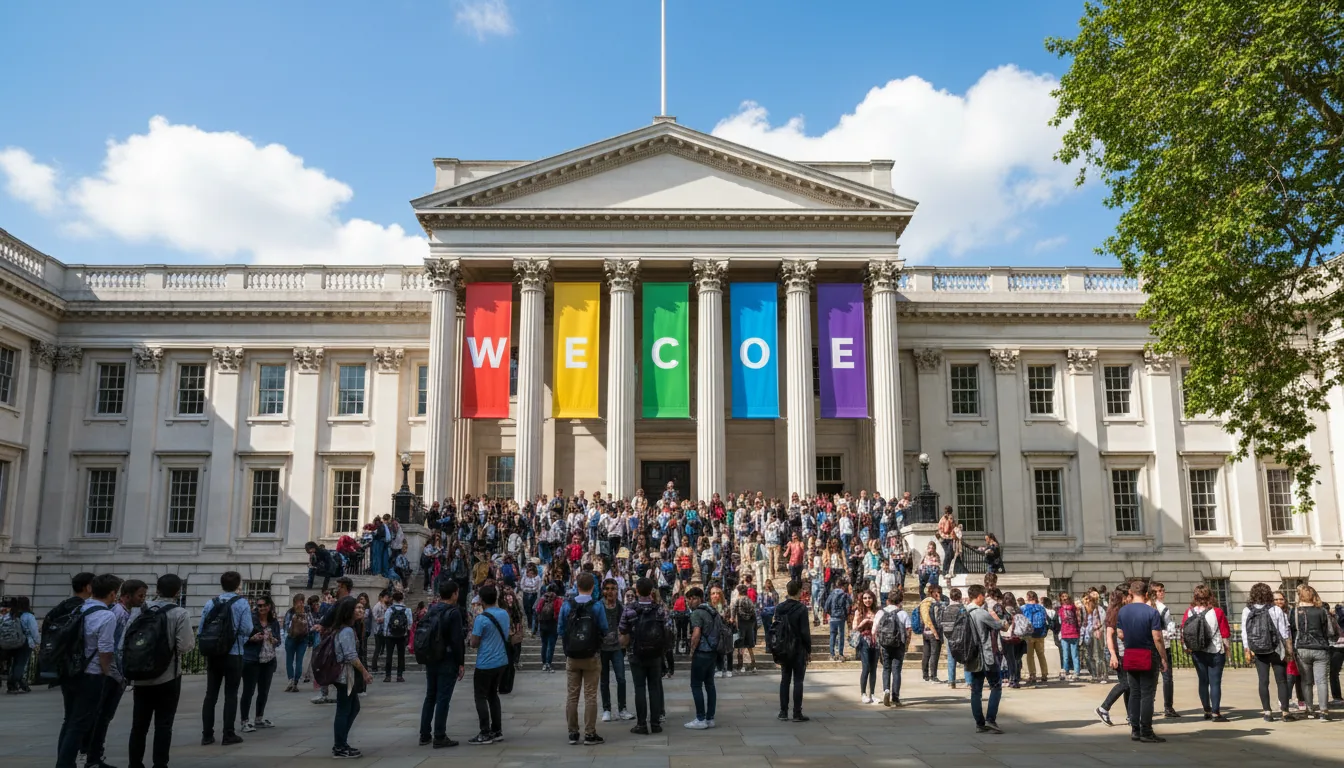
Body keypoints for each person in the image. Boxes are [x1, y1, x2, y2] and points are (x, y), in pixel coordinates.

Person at [127, 573, 194, 768]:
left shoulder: (139, 611)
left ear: (157, 589)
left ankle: (135, 763)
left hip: (140, 676)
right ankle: (160, 763)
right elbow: (186, 645)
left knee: (139, 725)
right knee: (164, 723)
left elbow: (126, 640)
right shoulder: (179, 613)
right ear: (178, 591)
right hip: (168, 676)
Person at [55, 573, 122, 768]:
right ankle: (65, 764)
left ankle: (63, 761)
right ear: (111, 593)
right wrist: (107, 672)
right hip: (92, 674)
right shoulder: (106, 616)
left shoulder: (79, 608)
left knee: (69, 720)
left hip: (70, 671)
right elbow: (105, 650)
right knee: (80, 724)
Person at [85, 578, 143, 768]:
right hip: (110, 674)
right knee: (101, 717)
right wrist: (117, 676)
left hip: (113, 672)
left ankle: (94, 755)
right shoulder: (116, 613)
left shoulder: (124, 612)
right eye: (140, 596)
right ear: (126, 596)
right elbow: (112, 648)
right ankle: (92, 757)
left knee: (104, 717)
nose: (143, 600)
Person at [200, 571, 253, 747]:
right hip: (233, 652)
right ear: (238, 584)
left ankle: (207, 734)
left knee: (210, 695)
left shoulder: (211, 603)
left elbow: (201, 629)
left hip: (214, 653)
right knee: (231, 694)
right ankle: (228, 734)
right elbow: (247, 628)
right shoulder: (241, 603)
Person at [1114, 579, 1169, 743]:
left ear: (1130, 593)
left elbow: (1120, 633)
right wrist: (1164, 658)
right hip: (1147, 654)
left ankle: (1135, 729)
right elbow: (1157, 637)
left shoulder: (1123, 611)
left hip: (1130, 653)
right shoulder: (1152, 612)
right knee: (1147, 694)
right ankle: (1146, 730)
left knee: (1134, 693)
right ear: (1146, 594)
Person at [559, 571, 610, 745]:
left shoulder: (567, 605)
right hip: (591, 655)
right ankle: (590, 733)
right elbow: (604, 628)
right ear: (593, 587)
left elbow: (560, 629)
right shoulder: (597, 606)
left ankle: (573, 733)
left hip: (572, 656)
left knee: (572, 696)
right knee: (590, 696)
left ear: (576, 585)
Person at [419, 580, 466, 748]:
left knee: (430, 695)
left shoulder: (432, 609)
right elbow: (457, 639)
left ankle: (424, 734)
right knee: (443, 698)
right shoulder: (454, 613)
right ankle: (439, 735)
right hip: (447, 658)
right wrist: (461, 662)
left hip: (431, 657)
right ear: (454, 594)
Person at [619, 576, 669, 735]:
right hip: (655, 654)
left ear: (637, 591)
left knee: (639, 688)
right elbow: (668, 629)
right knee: (654, 687)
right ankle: (655, 723)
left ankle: (641, 724)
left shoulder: (629, 609)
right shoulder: (660, 609)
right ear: (652, 590)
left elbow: (622, 630)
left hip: (636, 653)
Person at [1243, 581, 1297, 721]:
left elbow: (1245, 632)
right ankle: (1285, 712)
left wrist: (1247, 649)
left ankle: (1267, 712)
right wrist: (1289, 651)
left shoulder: (1247, 610)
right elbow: (1284, 632)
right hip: (1276, 649)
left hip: (1259, 651)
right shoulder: (1275, 610)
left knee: (1263, 681)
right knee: (1281, 681)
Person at [329, 597, 373, 758]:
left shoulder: (348, 629)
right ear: (349, 611)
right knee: (344, 709)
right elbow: (351, 655)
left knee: (353, 707)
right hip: (344, 674)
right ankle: (339, 746)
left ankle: (341, 743)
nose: (361, 610)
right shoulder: (346, 631)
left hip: (346, 674)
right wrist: (365, 672)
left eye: (362, 608)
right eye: (357, 608)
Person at [1181, 583, 1231, 722]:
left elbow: (1183, 631)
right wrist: (1227, 650)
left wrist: (1186, 647)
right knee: (1215, 682)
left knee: (1203, 681)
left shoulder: (1189, 612)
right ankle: (1216, 713)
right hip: (1215, 650)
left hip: (1197, 650)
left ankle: (1206, 710)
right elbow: (1225, 633)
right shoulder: (1217, 612)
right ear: (1210, 596)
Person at [469, 583, 510, 745]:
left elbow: (474, 642)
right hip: (501, 660)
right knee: (493, 695)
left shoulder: (481, 618)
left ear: (481, 600)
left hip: (485, 662)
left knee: (480, 696)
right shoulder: (504, 614)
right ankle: (497, 729)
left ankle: (485, 731)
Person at [1290, 584, 1335, 720]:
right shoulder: (1321, 610)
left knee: (1306, 681)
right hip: (1320, 647)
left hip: (1302, 648)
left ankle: (1309, 710)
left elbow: (1291, 630)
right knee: (1321, 681)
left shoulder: (1295, 611)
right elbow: (1330, 631)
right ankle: (1324, 711)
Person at [964, 584, 1005, 733]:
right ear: (979, 596)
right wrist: (998, 618)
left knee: (976, 691)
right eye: (984, 595)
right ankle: (990, 719)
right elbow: (1001, 626)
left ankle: (979, 723)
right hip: (986, 655)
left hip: (971, 655)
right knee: (996, 686)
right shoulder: (981, 613)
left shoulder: (964, 612)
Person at [240, 596, 281, 733]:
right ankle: (245, 720)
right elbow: (241, 637)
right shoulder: (251, 619)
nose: (261, 608)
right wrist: (251, 639)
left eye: (264, 605)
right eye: (259, 606)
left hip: (268, 659)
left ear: (269, 606)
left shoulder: (273, 622)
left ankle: (259, 718)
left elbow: (278, 640)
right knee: (248, 691)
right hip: (252, 659)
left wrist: (274, 640)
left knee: (263, 691)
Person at [597, 578, 633, 723]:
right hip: (602, 648)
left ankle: (622, 708)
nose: (610, 591)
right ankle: (607, 709)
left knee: (621, 678)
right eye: (608, 588)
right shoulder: (599, 606)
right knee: (604, 680)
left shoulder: (620, 607)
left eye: (613, 588)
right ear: (603, 590)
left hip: (617, 647)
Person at [684, 586, 720, 729]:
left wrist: (692, 650)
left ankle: (700, 718)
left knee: (696, 685)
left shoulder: (697, 613)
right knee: (710, 685)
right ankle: (710, 717)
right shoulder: (713, 611)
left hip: (701, 652)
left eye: (692, 599)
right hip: (713, 652)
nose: (690, 602)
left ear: (698, 599)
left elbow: (696, 634)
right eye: (689, 599)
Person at [878, 587, 912, 706]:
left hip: (884, 644)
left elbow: (875, 629)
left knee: (886, 668)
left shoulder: (881, 612)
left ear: (888, 600)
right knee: (896, 670)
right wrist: (906, 645)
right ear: (900, 601)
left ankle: (886, 690)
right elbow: (908, 630)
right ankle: (895, 697)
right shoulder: (903, 613)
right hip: (899, 645)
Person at [1150, 582, 1179, 717]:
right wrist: (1170, 630)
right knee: (1167, 677)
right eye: (1159, 591)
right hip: (1163, 646)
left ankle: (1149, 705)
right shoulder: (1163, 608)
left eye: (1163, 590)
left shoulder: (1146, 607)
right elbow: (1167, 629)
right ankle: (1168, 707)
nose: (1162, 593)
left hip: (1149, 647)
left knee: (1152, 678)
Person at [2, 595, 38, 694]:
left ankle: (11, 684)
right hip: (25, 642)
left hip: (12, 642)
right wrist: (37, 642)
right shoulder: (28, 616)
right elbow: (34, 631)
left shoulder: (11, 614)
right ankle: (15, 683)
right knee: (20, 664)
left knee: (13, 664)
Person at [852, 588, 881, 704]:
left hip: (876, 641)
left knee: (873, 668)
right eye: (865, 598)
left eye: (869, 598)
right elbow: (854, 628)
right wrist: (863, 622)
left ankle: (872, 693)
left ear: (873, 599)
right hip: (864, 641)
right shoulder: (859, 611)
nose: (867, 600)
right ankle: (863, 693)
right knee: (866, 667)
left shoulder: (878, 611)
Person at [283, 593, 313, 692]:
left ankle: (291, 681)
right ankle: (295, 683)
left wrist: (293, 629)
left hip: (291, 638)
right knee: (299, 661)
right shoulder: (307, 612)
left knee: (289, 661)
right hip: (303, 640)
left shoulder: (290, 612)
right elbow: (311, 625)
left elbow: (286, 626)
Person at [382, 590, 412, 683]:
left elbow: (386, 622)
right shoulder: (407, 610)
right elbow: (410, 623)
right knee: (401, 655)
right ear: (402, 599)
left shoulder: (389, 610)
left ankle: (388, 676)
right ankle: (399, 675)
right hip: (402, 635)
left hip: (390, 635)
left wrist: (385, 634)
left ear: (393, 599)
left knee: (389, 655)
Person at [1020, 591, 1049, 685]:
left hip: (1029, 635)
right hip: (1040, 634)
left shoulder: (1024, 608)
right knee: (1041, 654)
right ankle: (1044, 674)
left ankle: (1032, 674)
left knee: (1030, 656)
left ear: (1028, 597)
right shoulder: (1041, 608)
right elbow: (1045, 620)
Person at [730, 583, 759, 673]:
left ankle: (740, 665)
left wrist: (732, 620)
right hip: (749, 625)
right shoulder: (750, 601)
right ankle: (753, 664)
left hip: (741, 624)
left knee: (740, 645)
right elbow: (754, 614)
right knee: (750, 645)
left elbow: (733, 613)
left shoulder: (737, 601)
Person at [535, 584, 563, 672]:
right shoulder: (558, 599)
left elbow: (538, 610)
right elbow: (559, 611)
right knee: (551, 645)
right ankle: (548, 663)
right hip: (553, 624)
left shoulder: (543, 599)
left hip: (543, 625)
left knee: (544, 644)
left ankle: (544, 663)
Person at [919, 585, 943, 683]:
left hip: (925, 632)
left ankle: (925, 675)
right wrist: (937, 633)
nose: (939, 594)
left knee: (926, 654)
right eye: (938, 592)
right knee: (934, 654)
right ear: (933, 593)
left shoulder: (923, 602)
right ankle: (933, 676)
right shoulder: (934, 604)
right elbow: (938, 619)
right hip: (933, 632)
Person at [1057, 591, 1082, 682]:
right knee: (1070, 654)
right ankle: (1072, 671)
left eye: (1065, 597)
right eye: (1063, 597)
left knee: (1069, 655)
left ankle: (1071, 671)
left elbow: (1060, 621)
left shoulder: (1066, 609)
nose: (1064, 599)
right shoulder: (1070, 608)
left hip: (1069, 633)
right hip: (1069, 633)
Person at [825, 579, 852, 662]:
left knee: (832, 635)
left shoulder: (832, 593)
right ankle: (840, 654)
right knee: (841, 636)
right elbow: (849, 605)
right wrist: (846, 615)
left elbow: (826, 606)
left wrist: (830, 613)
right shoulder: (845, 594)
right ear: (843, 586)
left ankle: (832, 654)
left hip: (833, 618)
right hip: (841, 618)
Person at [936, 507, 956, 575]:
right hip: (944, 538)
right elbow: (946, 530)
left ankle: (948, 570)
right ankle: (945, 570)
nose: (948, 514)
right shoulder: (944, 519)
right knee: (948, 554)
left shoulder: (950, 518)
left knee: (950, 554)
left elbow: (954, 528)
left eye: (949, 512)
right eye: (947, 512)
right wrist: (948, 521)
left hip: (949, 538)